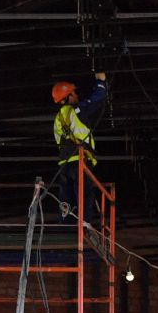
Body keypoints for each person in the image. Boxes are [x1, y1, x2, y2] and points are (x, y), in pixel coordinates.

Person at [52, 73, 109, 221]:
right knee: (84, 194)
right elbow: (96, 100)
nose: (77, 95)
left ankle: (66, 225)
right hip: (80, 161)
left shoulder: (58, 118)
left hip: (64, 164)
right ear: (68, 96)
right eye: (74, 93)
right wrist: (101, 81)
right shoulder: (76, 111)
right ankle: (84, 224)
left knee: (67, 197)